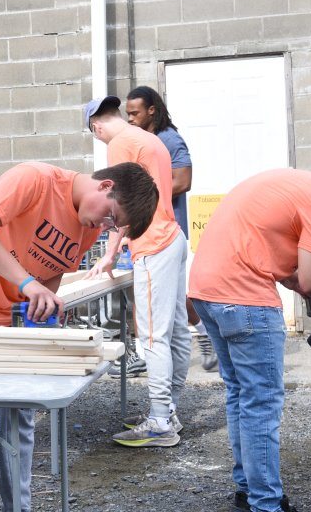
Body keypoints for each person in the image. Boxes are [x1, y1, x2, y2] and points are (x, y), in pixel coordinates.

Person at [0, 161, 159, 512]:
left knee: (21, 416)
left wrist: (44, 307)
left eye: (113, 227)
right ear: (105, 186)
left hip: (15, 314)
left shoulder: (87, 226)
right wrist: (28, 284)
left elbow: (52, 269)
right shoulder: (36, 180)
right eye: (110, 218)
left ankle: (18, 508)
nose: (104, 228)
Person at [189, 166, 311, 512]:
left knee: (240, 395)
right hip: (245, 300)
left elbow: (268, 248)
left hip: (206, 293)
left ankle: (247, 490)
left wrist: (289, 275)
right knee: (262, 403)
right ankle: (266, 504)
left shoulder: (292, 181)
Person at [84, 95, 191, 448]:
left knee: (152, 337)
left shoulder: (120, 144)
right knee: (174, 330)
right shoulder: (149, 138)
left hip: (153, 243)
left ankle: (160, 420)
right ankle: (168, 410)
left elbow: (120, 206)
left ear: (97, 126)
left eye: (95, 134)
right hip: (173, 236)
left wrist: (110, 254)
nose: (99, 139)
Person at [125, 86, 217, 372]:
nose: (130, 119)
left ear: (152, 110)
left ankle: (202, 337)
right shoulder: (142, 141)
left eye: (135, 113)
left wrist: (144, 199)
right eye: (127, 114)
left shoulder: (169, 140)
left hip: (168, 231)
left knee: (169, 300)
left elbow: (183, 181)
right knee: (148, 296)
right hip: (144, 232)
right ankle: (200, 337)